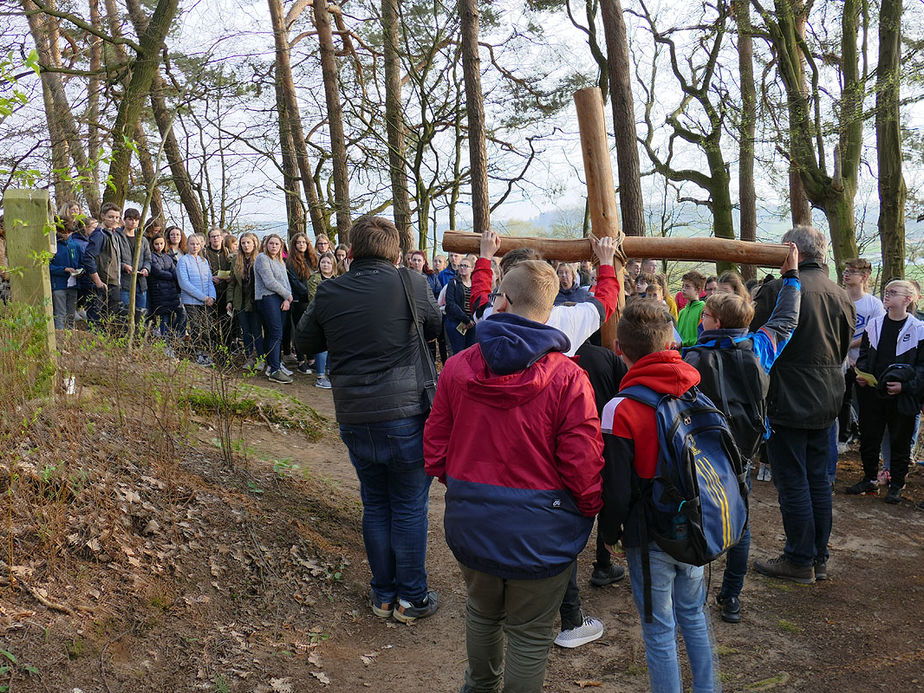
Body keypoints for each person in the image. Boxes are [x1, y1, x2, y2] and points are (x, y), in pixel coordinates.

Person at [424, 260, 604, 692]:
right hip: (543, 532)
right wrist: (587, 510)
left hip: (473, 523)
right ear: (551, 308)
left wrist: (468, 488)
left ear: (502, 301)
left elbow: (434, 450)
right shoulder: (569, 378)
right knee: (529, 634)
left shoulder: (458, 367)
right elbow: (584, 464)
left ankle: (478, 686)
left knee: (483, 612)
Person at [294, 215, 442, 624]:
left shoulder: (329, 291)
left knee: (375, 503)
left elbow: (302, 342)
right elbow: (435, 326)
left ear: (353, 252)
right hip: (407, 413)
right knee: (410, 506)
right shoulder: (411, 282)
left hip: (355, 414)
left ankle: (382, 596)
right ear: (395, 252)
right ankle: (411, 599)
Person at [598, 298, 719, 693]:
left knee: (659, 630)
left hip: (650, 534)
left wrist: (610, 533)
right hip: (697, 526)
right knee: (694, 616)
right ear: (671, 343)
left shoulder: (621, 408)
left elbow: (616, 489)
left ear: (620, 349)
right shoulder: (694, 390)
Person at [684, 244, 801, 624]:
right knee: (741, 520)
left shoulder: (687, 359)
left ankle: (695, 593)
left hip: (699, 452)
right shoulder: (760, 346)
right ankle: (730, 596)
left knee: (697, 515)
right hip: (743, 451)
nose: (701, 319)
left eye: (706, 315)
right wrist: (792, 277)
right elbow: (787, 319)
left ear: (715, 321)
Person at [751, 226, 854, 583]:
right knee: (818, 482)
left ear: (792, 250)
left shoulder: (780, 290)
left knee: (793, 481)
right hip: (828, 398)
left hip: (788, 398)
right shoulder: (840, 294)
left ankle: (798, 558)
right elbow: (842, 348)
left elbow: (760, 341)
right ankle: (818, 557)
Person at [471, 231, 622, 358]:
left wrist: (485, 257)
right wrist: (606, 262)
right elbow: (605, 302)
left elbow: (478, 299)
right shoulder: (568, 319)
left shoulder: (492, 316)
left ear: (505, 278)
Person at [846, 279, 924, 504]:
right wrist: (861, 374)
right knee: (869, 437)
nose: (887, 295)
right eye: (886, 291)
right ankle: (870, 478)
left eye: (893, 292)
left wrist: (905, 386)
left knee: (899, 441)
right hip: (873, 392)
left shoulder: (918, 330)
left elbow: (921, 367)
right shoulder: (875, 325)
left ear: (907, 299)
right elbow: (865, 356)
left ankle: (896, 484)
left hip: (901, 395)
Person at [839, 259, 884, 449]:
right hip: (840, 359)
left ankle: (868, 440)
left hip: (863, 362)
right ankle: (843, 436)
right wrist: (843, 351)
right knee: (842, 400)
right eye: (845, 271)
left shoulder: (873, 304)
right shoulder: (838, 297)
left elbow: (874, 333)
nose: (846, 274)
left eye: (851, 271)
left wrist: (849, 346)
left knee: (866, 404)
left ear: (864, 277)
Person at [254, 234, 294, 384]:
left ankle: (273, 365)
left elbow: (285, 281)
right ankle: (275, 370)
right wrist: (287, 295)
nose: (274, 246)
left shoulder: (280, 261)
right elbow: (269, 281)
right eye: (271, 243)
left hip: (281, 299)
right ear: (266, 244)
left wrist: (286, 298)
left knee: (276, 333)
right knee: (275, 332)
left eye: (277, 244)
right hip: (267, 297)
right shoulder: (262, 258)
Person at [177, 233, 217, 366]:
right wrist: (203, 297)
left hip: (206, 301)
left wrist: (211, 296)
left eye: (197, 244)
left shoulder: (203, 261)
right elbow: (184, 283)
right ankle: (196, 355)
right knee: (195, 327)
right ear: (187, 245)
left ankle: (206, 353)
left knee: (207, 327)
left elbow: (209, 281)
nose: (195, 246)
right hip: (191, 301)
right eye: (192, 244)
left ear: (201, 246)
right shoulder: (184, 261)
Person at [82, 203, 124, 325]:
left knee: (112, 322)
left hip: (114, 282)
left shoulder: (114, 234)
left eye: (117, 217)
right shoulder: (99, 234)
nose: (114, 220)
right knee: (97, 323)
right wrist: (98, 282)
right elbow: (88, 257)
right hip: (102, 285)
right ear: (103, 216)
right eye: (111, 216)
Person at [227, 232, 263, 371]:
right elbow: (231, 283)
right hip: (240, 299)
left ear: (254, 243)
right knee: (246, 331)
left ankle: (261, 358)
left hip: (255, 300)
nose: (246, 245)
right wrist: (229, 300)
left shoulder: (260, 259)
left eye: (248, 242)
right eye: (243, 243)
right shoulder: (236, 260)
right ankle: (249, 357)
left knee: (257, 331)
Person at [305, 252, 338, 388]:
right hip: (319, 316)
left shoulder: (337, 280)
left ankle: (330, 373)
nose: (325, 265)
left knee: (332, 347)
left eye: (329, 263)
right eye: (323, 262)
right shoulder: (314, 278)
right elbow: (314, 298)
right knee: (322, 346)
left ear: (333, 265)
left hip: (334, 317)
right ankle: (320, 376)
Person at [148, 234, 184, 348]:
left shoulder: (168, 257)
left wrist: (172, 275)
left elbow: (174, 270)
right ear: (153, 245)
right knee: (165, 317)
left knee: (180, 313)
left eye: (161, 243)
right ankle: (165, 344)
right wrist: (171, 276)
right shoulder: (151, 257)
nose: (159, 246)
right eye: (156, 244)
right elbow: (158, 272)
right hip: (159, 292)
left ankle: (173, 336)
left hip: (171, 292)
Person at [113, 208, 151, 316]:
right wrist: (123, 266)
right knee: (125, 313)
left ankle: (139, 333)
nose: (133, 222)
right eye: (130, 219)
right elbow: (113, 259)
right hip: (125, 282)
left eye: (136, 219)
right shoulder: (117, 237)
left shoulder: (142, 239)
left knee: (141, 314)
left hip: (141, 283)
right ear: (124, 220)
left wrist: (146, 268)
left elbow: (148, 259)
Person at [286, 234, 314, 373]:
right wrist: (308, 293)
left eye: (304, 242)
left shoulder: (312, 260)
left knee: (311, 330)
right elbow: (294, 282)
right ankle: (301, 360)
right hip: (299, 301)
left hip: (312, 300)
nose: (302, 245)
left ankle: (311, 359)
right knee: (299, 331)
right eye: (299, 242)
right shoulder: (291, 262)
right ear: (294, 245)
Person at [49, 220, 84, 329]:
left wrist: (80, 272)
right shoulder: (52, 246)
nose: (66, 234)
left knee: (71, 314)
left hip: (73, 285)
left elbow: (82, 263)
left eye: (69, 231)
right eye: (63, 231)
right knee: (60, 313)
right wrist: (64, 269)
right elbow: (48, 266)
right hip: (58, 284)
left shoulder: (75, 245)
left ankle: (70, 336)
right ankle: (60, 336)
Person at [205, 226, 234, 354]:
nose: (215, 238)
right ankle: (215, 349)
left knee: (226, 323)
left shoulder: (227, 252)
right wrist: (210, 278)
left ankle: (226, 349)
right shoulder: (204, 253)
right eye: (213, 236)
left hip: (226, 292)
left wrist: (230, 277)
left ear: (222, 238)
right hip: (211, 292)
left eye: (217, 236)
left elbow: (234, 270)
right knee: (212, 323)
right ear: (209, 239)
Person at [444, 254, 477, 355]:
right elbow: (450, 304)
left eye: (466, 266)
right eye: (461, 265)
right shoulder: (453, 282)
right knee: (459, 353)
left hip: (472, 323)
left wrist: (472, 320)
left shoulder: (475, 284)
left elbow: (477, 303)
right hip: (456, 322)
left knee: (471, 352)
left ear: (472, 269)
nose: (462, 268)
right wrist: (466, 319)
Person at [676, 270, 706, 346]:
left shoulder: (703, 309)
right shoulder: (682, 312)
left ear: (698, 290)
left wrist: (683, 344)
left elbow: (702, 336)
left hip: (695, 353)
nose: (683, 289)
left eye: (687, 286)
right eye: (683, 286)